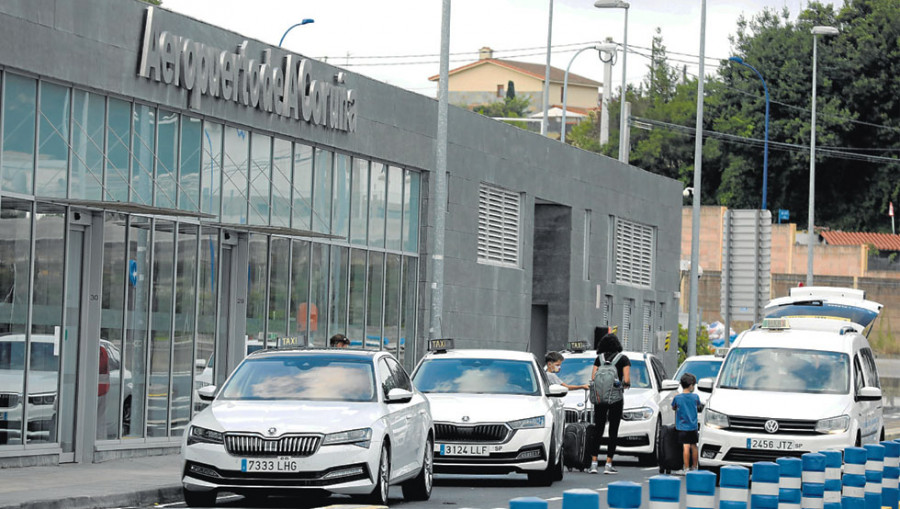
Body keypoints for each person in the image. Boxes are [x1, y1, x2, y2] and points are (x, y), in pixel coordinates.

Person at [589, 333, 630, 474]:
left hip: (600, 398)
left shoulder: (598, 359)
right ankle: (608, 464)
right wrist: (622, 384)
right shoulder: (623, 359)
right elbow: (627, 381)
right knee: (613, 430)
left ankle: (593, 464)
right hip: (616, 399)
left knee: (598, 429)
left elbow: (593, 378)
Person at [671, 372, 704, 474]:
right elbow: (699, 406)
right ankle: (695, 467)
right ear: (690, 386)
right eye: (693, 385)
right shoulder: (695, 397)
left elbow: (673, 407)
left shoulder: (677, 397)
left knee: (686, 446)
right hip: (693, 426)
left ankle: (686, 468)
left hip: (682, 426)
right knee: (694, 446)